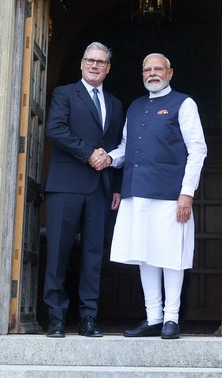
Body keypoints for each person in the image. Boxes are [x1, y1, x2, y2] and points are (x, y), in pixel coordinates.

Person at [94, 52, 206, 340]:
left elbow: (198, 150)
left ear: (170, 73)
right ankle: (153, 316)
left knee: (171, 255)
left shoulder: (184, 103)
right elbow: (126, 147)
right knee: (145, 255)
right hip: (136, 193)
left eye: (158, 69)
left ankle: (171, 318)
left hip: (170, 194)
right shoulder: (135, 106)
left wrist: (187, 193)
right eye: (147, 69)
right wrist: (109, 158)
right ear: (142, 74)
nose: (152, 73)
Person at [42, 42, 124, 338]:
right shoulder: (65, 93)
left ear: (108, 68)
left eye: (101, 62)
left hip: (100, 188)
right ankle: (56, 318)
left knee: (93, 254)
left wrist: (115, 185)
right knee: (58, 252)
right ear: (81, 63)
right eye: (90, 60)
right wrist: (89, 152)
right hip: (66, 184)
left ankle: (89, 317)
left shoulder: (115, 103)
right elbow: (56, 130)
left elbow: (116, 147)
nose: (94, 66)